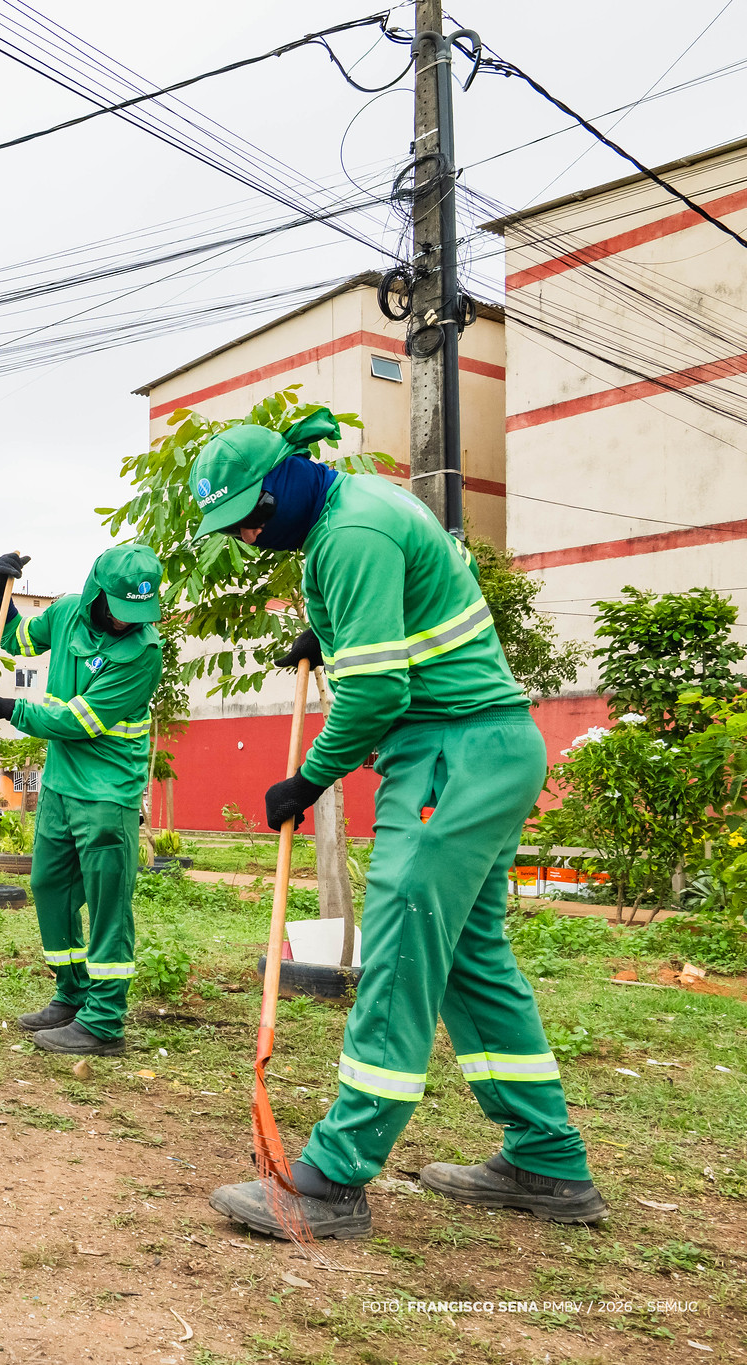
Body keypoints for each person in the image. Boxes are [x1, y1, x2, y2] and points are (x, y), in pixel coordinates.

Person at [190, 409, 604, 1240]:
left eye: (254, 518)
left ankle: (332, 1177)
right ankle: (548, 1158)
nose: (251, 537)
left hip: (449, 756)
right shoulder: (361, 507)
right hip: (485, 750)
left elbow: (380, 692)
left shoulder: (351, 536)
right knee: (469, 960)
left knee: (400, 953)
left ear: (284, 479)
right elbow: (402, 617)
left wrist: (307, 778)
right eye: (235, 531)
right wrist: (331, 630)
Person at [0, 544, 165, 1056]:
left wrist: (10, 708)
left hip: (107, 792)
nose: (128, 623)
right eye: (121, 611)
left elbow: (81, 720)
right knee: (48, 884)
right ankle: (71, 992)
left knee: (107, 905)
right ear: (98, 593)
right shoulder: (66, 611)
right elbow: (16, 640)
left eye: (138, 614)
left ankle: (104, 1020)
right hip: (59, 785)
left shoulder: (143, 651)